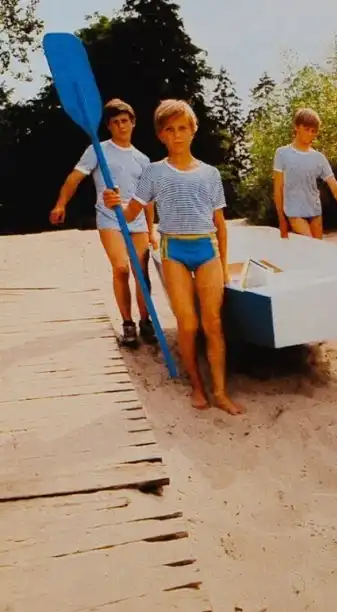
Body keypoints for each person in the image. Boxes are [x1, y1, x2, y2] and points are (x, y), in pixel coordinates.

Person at [103, 99, 244, 416]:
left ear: (193, 130)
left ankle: (220, 392)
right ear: (161, 135)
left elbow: (220, 225)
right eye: (170, 130)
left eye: (183, 128)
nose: (177, 135)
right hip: (174, 251)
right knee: (188, 323)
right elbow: (130, 214)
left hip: (207, 250)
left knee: (213, 323)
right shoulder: (153, 172)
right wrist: (114, 203)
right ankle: (197, 386)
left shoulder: (210, 174)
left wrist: (223, 267)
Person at [49, 98, 158, 348]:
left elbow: (148, 199)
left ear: (133, 123)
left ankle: (146, 321)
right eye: (115, 122)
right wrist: (60, 204)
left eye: (125, 121)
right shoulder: (98, 150)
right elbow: (75, 178)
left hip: (137, 220)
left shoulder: (143, 159)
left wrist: (151, 229)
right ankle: (128, 323)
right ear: (108, 126)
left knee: (141, 272)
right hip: (110, 217)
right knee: (121, 268)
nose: (121, 126)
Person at [273, 108, 337, 239]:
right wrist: (282, 220)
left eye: (313, 131)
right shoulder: (282, 154)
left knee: (318, 249)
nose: (310, 134)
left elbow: (334, 186)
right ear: (297, 127)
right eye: (307, 129)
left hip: (315, 212)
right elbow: (278, 188)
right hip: (294, 212)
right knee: (309, 243)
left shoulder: (318, 158)